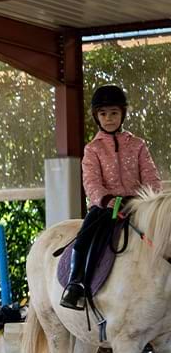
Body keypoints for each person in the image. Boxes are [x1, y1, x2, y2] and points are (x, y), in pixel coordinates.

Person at [60, 84, 162, 310]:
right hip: (105, 207)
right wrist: (106, 200)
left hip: (138, 206)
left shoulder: (137, 145)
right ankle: (76, 284)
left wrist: (148, 201)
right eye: (103, 114)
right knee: (85, 237)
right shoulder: (92, 149)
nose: (109, 119)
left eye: (114, 113)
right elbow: (91, 182)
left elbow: (151, 177)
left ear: (122, 114)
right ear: (97, 117)